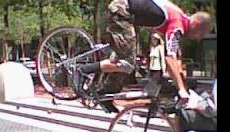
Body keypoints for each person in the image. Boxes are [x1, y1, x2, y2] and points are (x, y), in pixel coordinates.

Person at [73, 0, 212, 113]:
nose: (198, 39)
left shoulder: (179, 18)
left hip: (126, 14)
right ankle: (83, 70)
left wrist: (183, 84)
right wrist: (181, 90)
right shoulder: (177, 24)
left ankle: (106, 95)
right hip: (122, 11)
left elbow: (176, 60)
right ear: (197, 25)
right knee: (128, 63)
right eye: (200, 34)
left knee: (125, 63)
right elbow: (170, 60)